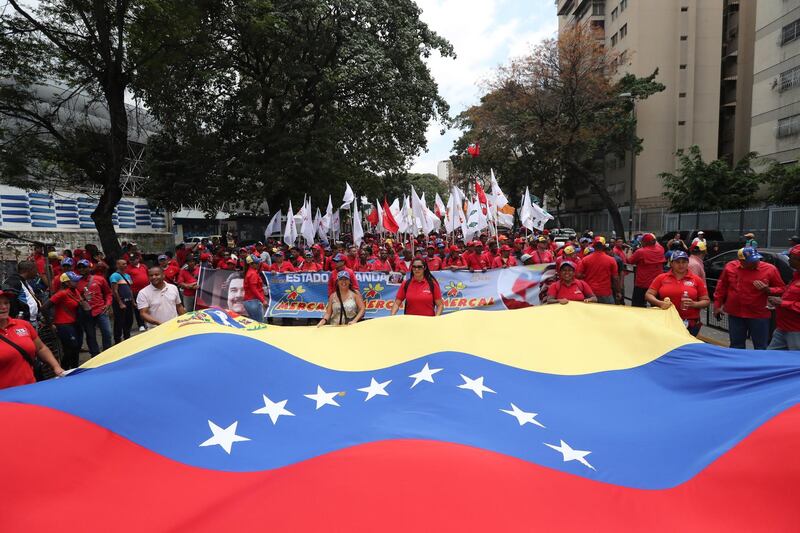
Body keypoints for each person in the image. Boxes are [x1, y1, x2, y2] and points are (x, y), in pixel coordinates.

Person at [713, 247, 785, 350]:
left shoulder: (770, 269)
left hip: (758, 315)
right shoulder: (730, 267)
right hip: (735, 314)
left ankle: (759, 365)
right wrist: (717, 306)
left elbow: (783, 289)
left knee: (760, 347)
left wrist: (768, 290)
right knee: (736, 346)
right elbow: (721, 287)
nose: (756, 262)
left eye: (757, 259)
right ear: (741, 261)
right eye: (751, 261)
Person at [0, 288, 63, 389]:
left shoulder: (23, 325)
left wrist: (56, 367)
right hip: (5, 398)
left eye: (6, 303)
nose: (3, 307)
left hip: (30, 389)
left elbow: (41, 348)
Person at [645, 251, 710, 336]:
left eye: (684, 262)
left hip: (689, 322)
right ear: (671, 263)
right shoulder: (661, 278)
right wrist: (659, 303)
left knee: (686, 348)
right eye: (677, 262)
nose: (681, 265)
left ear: (688, 263)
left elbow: (706, 301)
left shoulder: (696, 280)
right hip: (666, 320)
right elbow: (648, 294)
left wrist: (694, 304)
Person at [44, 271, 84, 370]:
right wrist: (50, 324)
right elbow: (45, 307)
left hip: (75, 323)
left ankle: (75, 369)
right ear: (66, 283)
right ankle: (64, 369)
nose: (77, 282)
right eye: (74, 281)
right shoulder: (61, 294)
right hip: (64, 324)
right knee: (71, 348)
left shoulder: (75, 291)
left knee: (76, 348)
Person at [75, 259, 113, 357]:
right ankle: (95, 355)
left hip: (100, 310)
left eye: (84, 267)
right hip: (86, 313)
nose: (81, 269)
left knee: (107, 333)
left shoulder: (99, 279)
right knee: (90, 335)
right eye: (79, 267)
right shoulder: (76, 282)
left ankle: (107, 353)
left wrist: (108, 304)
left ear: (89, 268)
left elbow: (108, 293)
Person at [769, 244, 800, 350]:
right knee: (771, 356)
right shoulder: (796, 276)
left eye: (790, 258)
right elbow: (787, 290)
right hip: (783, 327)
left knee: (795, 360)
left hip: (796, 330)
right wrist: (769, 291)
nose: (788, 260)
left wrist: (782, 303)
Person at [629, 233, 666, 307]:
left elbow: (630, 260)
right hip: (656, 284)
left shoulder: (641, 251)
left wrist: (630, 250)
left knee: (637, 307)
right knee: (656, 306)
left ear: (644, 242)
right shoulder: (661, 249)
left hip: (642, 284)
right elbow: (656, 244)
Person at [3, 261, 43, 327]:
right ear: (29, 270)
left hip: (31, 321)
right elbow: (10, 300)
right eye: (35, 270)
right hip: (23, 322)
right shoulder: (14, 281)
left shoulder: (23, 281)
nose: (37, 272)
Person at [580, 240, 620, 305]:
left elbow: (578, 275)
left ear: (593, 246)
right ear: (604, 246)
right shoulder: (611, 260)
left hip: (590, 292)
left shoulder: (585, 259)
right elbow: (615, 278)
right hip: (605, 293)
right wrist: (618, 291)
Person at [110, 259, 135, 343]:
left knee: (129, 320)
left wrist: (133, 302)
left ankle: (127, 337)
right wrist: (120, 303)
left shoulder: (127, 276)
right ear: (117, 265)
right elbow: (115, 291)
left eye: (125, 264)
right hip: (120, 302)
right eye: (123, 264)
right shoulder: (115, 275)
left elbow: (130, 290)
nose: (125, 265)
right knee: (119, 321)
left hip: (128, 301)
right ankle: (117, 340)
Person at [125, 254, 150, 332]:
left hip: (147, 289)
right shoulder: (128, 269)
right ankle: (141, 324)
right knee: (138, 308)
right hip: (136, 291)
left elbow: (148, 275)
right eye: (130, 260)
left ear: (137, 259)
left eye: (134, 259)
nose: (132, 261)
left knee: (149, 306)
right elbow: (127, 279)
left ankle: (149, 321)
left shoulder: (143, 266)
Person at [242, 255, 267, 322]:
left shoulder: (250, 272)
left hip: (250, 301)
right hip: (253, 301)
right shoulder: (253, 274)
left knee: (255, 323)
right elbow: (254, 289)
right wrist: (263, 300)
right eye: (256, 263)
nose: (258, 264)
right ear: (251, 264)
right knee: (260, 324)